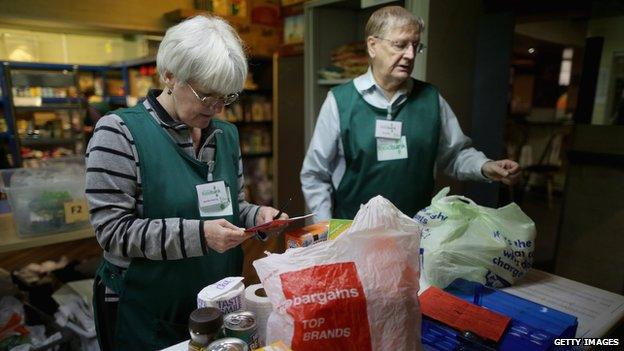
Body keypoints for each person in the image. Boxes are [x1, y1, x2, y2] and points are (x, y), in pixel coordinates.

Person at [86, 15, 287, 350]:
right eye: (207, 95)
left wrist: (257, 217)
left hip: (215, 303)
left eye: (226, 97)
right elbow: (113, 232)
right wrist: (201, 235)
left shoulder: (225, 135)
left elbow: (231, 207)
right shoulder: (118, 133)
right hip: (145, 310)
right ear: (169, 76)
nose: (218, 108)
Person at [301, 6, 520, 221]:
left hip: (415, 232)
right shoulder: (340, 102)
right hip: (354, 234)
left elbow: (454, 154)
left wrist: (485, 166)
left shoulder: (431, 99)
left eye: (416, 45)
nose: (410, 54)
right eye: (400, 45)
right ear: (372, 46)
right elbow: (315, 175)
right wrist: (325, 229)